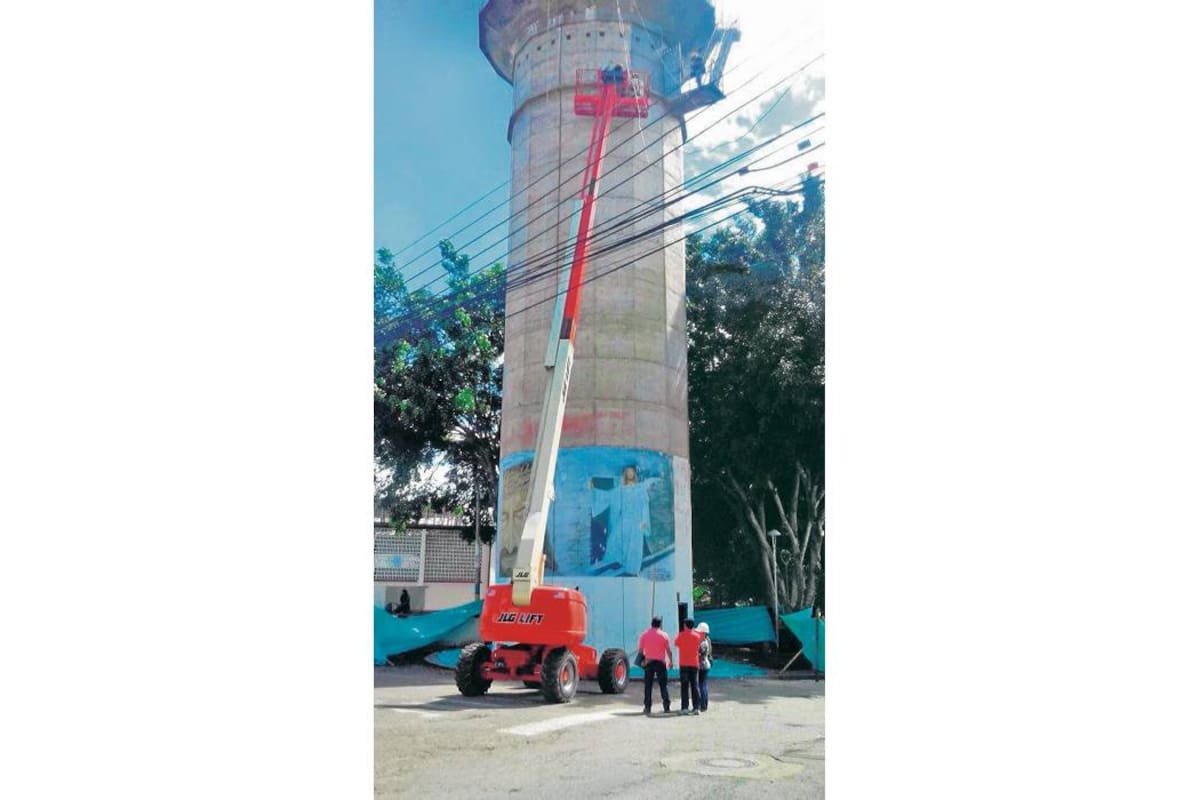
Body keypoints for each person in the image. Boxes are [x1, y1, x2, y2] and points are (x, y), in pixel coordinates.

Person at [638, 615, 672, 715]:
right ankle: (666, 706)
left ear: (651, 623)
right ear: (660, 624)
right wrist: (671, 661)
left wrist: (642, 661)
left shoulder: (644, 634)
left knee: (648, 686)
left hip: (649, 662)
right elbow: (668, 651)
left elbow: (640, 651)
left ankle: (647, 707)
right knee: (663, 685)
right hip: (661, 663)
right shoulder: (664, 635)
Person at [674, 618, 704, 715]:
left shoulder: (681, 635)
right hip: (694, 664)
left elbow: (676, 643)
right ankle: (696, 707)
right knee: (695, 685)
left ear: (685, 625)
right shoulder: (697, 636)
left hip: (684, 664)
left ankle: (684, 707)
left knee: (684, 686)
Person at [696, 621, 712, 712]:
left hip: (702, 665)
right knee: (704, 685)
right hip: (706, 665)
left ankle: (701, 704)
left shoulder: (702, 643)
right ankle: (704, 705)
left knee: (701, 685)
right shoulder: (708, 640)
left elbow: (698, 654)